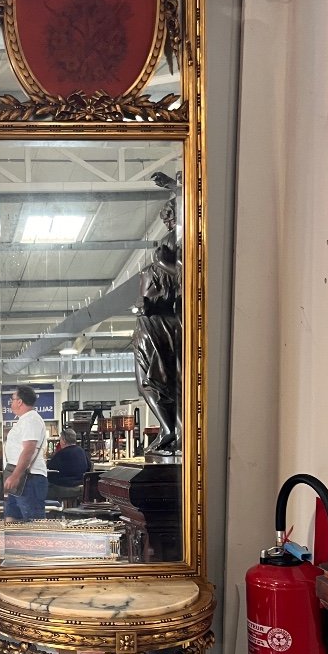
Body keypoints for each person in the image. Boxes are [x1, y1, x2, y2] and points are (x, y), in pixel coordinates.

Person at [132, 180, 182, 456]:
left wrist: (149, 300)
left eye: (169, 212)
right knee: (155, 380)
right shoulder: (175, 242)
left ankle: (168, 430)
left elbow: (178, 277)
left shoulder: (172, 244)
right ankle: (168, 429)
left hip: (155, 323)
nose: (164, 217)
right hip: (157, 321)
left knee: (149, 381)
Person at [2, 385, 48, 521]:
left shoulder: (31, 419)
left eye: (12, 399)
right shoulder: (24, 420)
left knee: (33, 523)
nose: (11, 402)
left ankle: (38, 543)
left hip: (29, 478)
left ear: (20, 401)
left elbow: (28, 449)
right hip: (21, 477)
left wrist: (16, 475)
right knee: (12, 519)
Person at [46, 428, 90, 499]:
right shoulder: (81, 451)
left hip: (65, 486)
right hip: (81, 483)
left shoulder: (61, 454)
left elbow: (50, 467)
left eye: (60, 440)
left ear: (64, 441)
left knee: (43, 487)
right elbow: (89, 466)